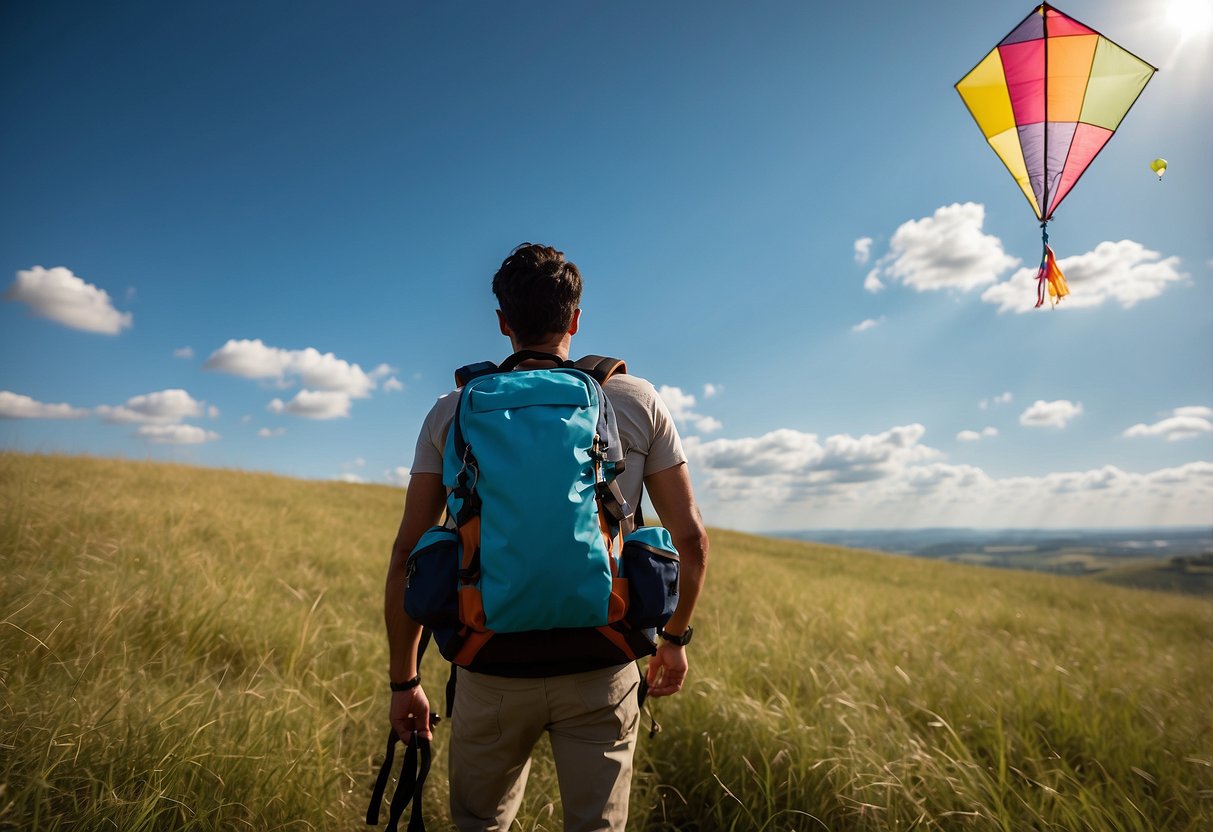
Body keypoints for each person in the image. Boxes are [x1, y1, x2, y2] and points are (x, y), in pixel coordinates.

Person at [383, 242, 709, 832]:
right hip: (603, 660)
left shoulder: (453, 409)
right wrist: (676, 637)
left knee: (480, 824)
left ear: (504, 323)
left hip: (488, 662)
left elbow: (408, 552)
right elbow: (691, 540)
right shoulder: (636, 400)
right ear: (575, 319)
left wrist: (405, 680)